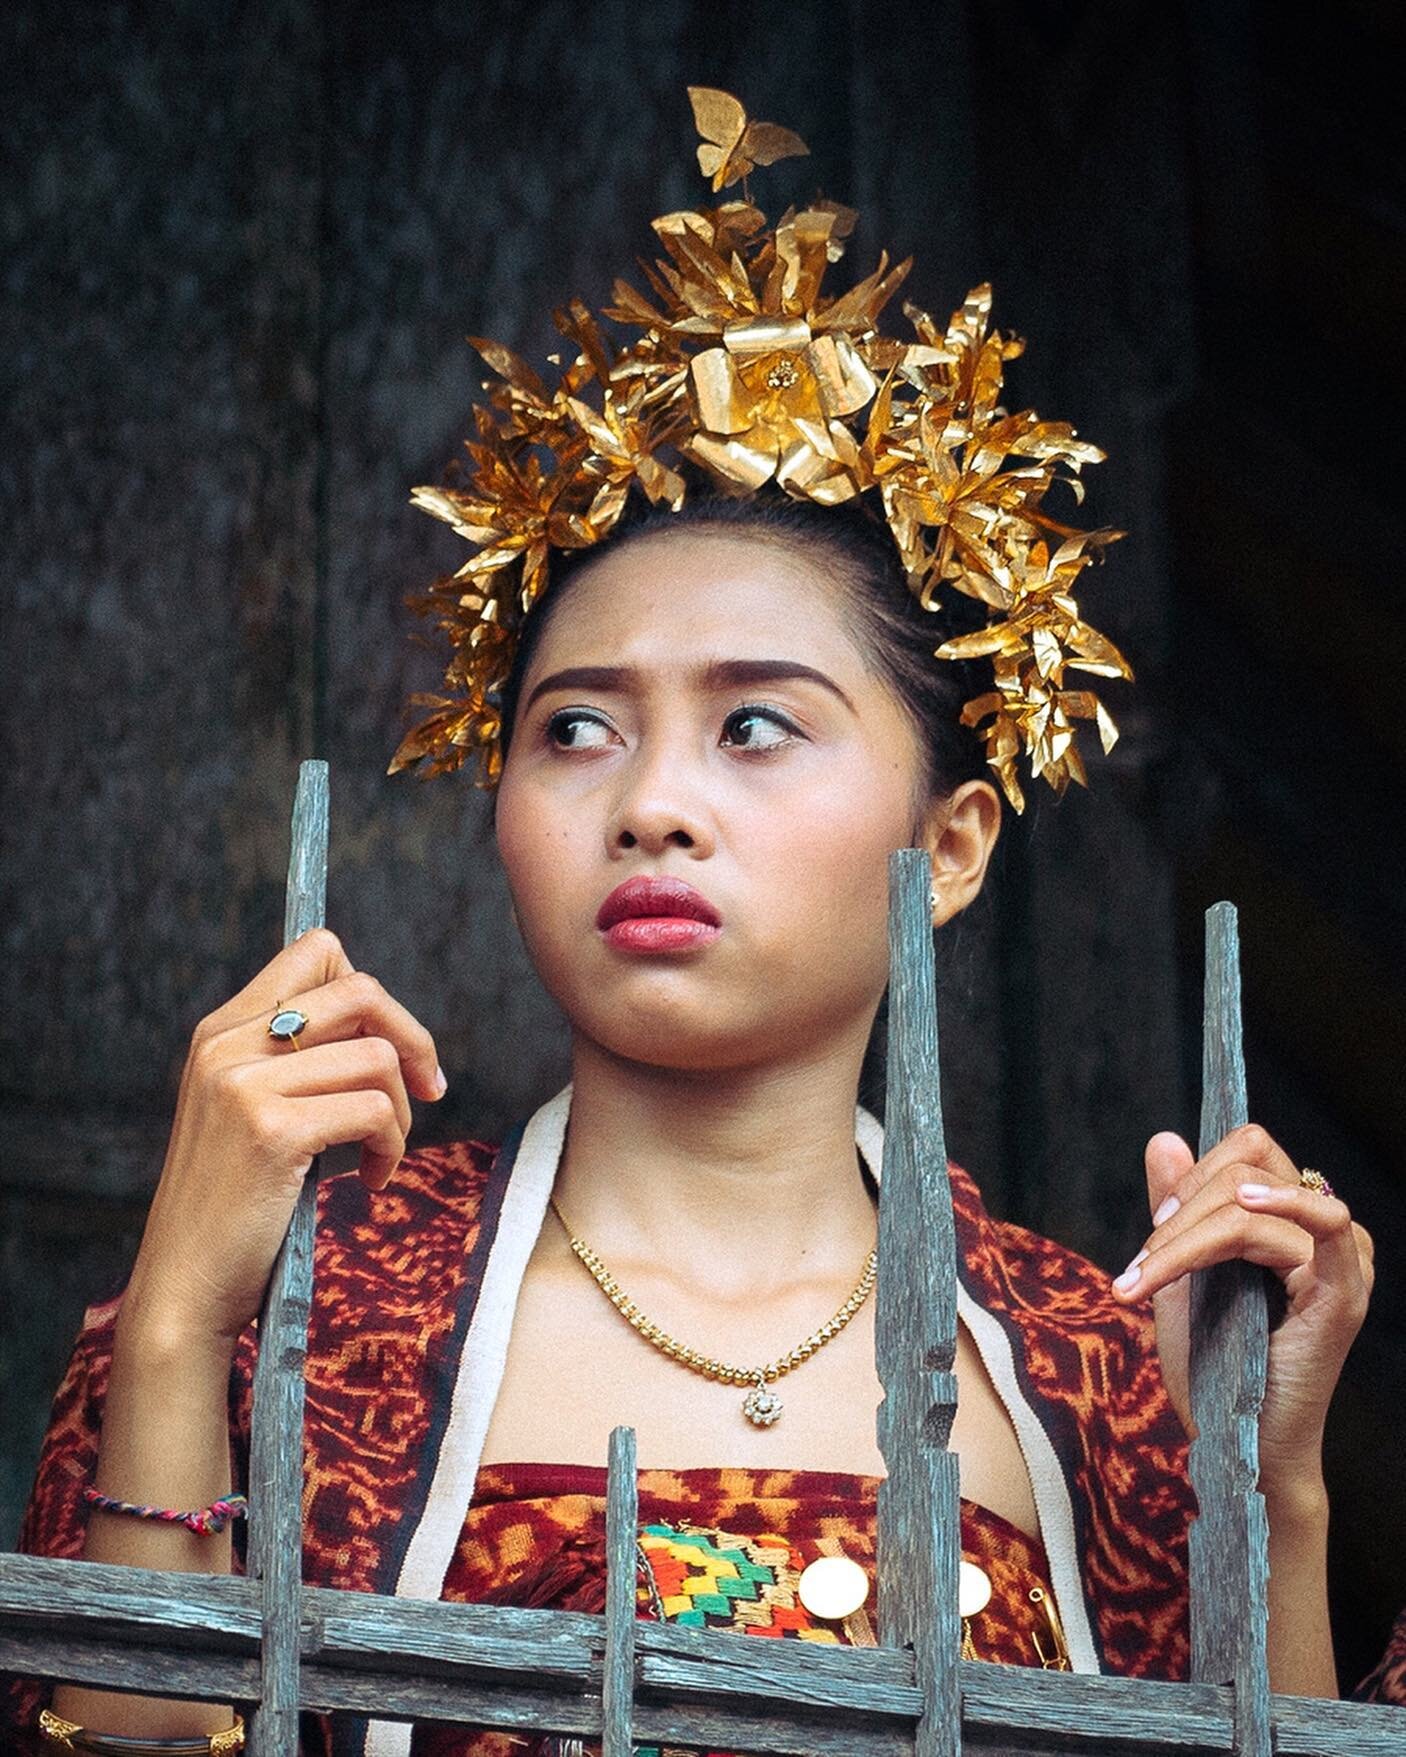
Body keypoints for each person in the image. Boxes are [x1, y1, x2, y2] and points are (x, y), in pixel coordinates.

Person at [5, 87, 1381, 1757]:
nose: (649, 799)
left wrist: (1264, 1492)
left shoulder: (1095, 1367)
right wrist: (169, 1326)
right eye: (576, 728)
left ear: (948, 847)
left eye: (753, 725)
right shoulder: (321, 1305)